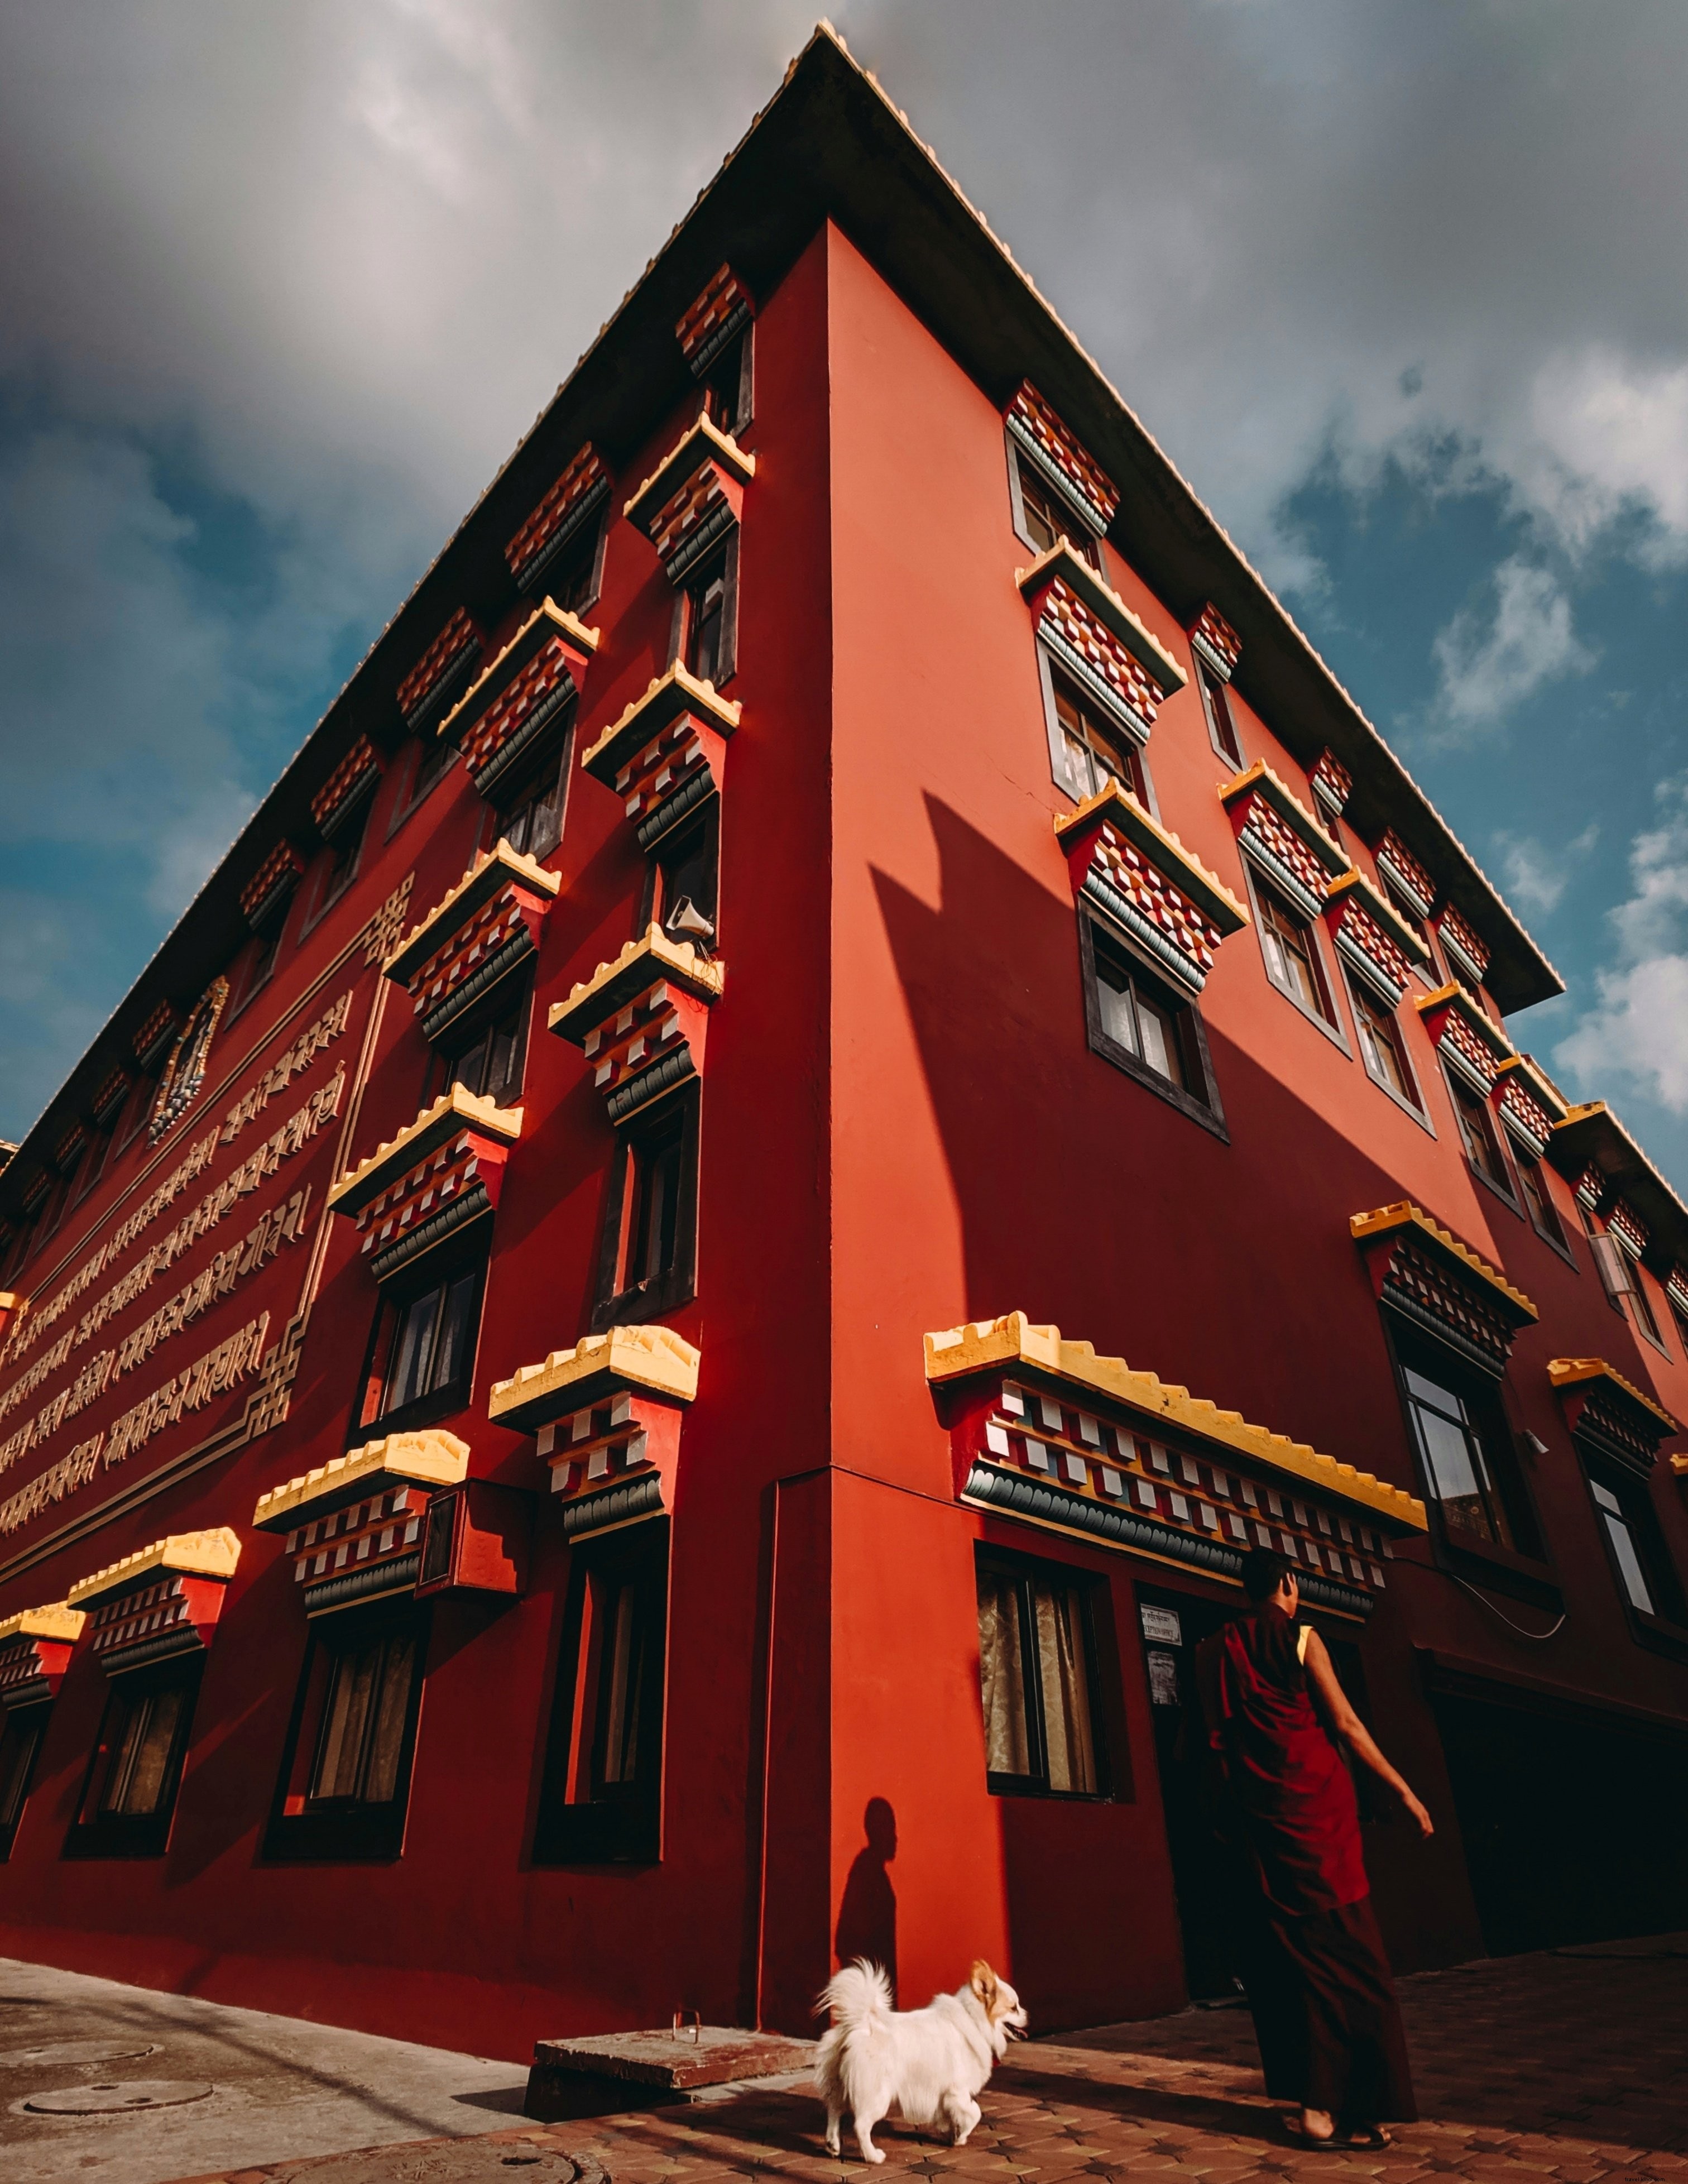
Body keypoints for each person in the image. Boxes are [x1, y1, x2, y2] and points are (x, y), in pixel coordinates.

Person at [1195, 1547, 1433, 2150]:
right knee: (1358, 1963)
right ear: (1289, 1584)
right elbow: (1347, 1726)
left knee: (1293, 1965)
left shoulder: (1217, 1649)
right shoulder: (1303, 1639)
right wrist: (1404, 1793)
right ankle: (1348, 2109)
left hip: (1264, 1826)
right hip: (1320, 1817)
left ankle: (1316, 2106)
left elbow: (1207, 1744)